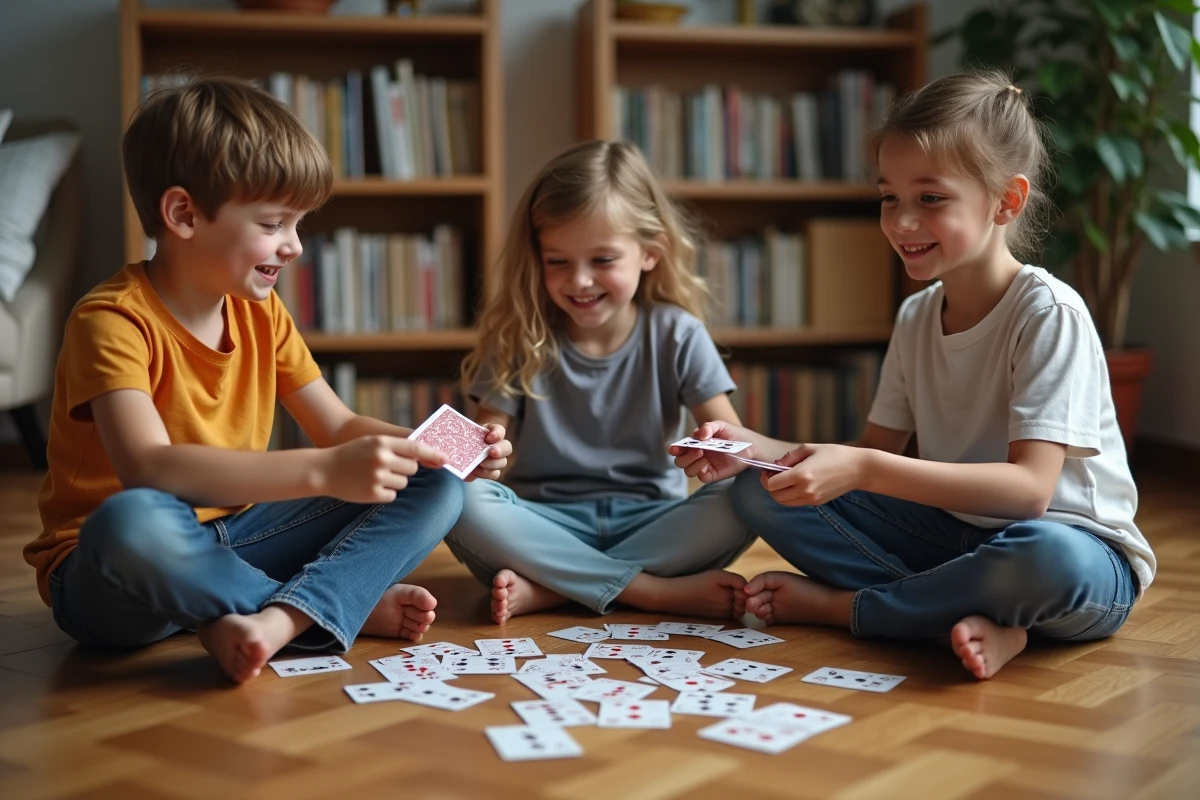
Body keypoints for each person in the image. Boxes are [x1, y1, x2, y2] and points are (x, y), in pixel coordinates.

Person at [22, 76, 511, 683]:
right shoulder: (111, 320)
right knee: (132, 520)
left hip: (239, 539)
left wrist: (434, 451)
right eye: (275, 224)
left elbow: (336, 425)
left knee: (437, 488)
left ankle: (267, 618)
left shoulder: (260, 310)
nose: (296, 247)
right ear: (183, 214)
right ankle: (316, 606)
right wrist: (324, 471)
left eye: (298, 225)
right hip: (114, 573)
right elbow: (151, 469)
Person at [675, 70, 1154, 680]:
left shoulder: (1048, 313)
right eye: (888, 197)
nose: (902, 222)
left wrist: (865, 470)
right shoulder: (917, 315)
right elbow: (870, 460)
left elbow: (1030, 492)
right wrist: (754, 452)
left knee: (1041, 559)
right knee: (752, 492)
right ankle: (980, 617)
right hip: (958, 541)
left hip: (1076, 556)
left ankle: (856, 609)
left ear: (1006, 201)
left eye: (930, 198)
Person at [445, 140, 756, 624]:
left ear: (651, 253)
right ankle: (647, 591)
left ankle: (556, 589)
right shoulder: (519, 335)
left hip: (652, 521)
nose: (581, 281)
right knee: (456, 496)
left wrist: (717, 448)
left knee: (750, 491)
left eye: (603, 260)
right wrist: (479, 452)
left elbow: (736, 447)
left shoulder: (678, 333)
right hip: (546, 526)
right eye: (558, 262)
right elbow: (481, 452)